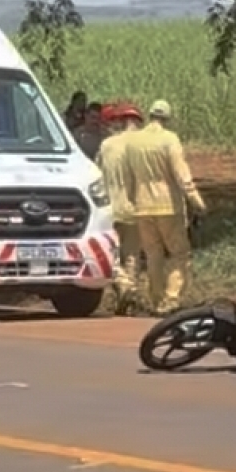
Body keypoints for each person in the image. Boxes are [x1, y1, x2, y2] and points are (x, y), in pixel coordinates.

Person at [121, 99, 205, 315]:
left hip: (142, 205)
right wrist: (196, 200)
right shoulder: (169, 139)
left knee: (153, 255)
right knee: (179, 253)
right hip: (168, 205)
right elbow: (181, 174)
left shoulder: (133, 142)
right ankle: (171, 297)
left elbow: (128, 177)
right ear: (167, 117)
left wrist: (132, 200)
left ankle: (156, 300)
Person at [95, 101, 144, 314]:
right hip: (135, 208)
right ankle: (130, 291)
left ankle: (123, 286)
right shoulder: (143, 145)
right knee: (132, 254)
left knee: (112, 255)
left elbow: (97, 173)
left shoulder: (107, 146)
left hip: (110, 209)